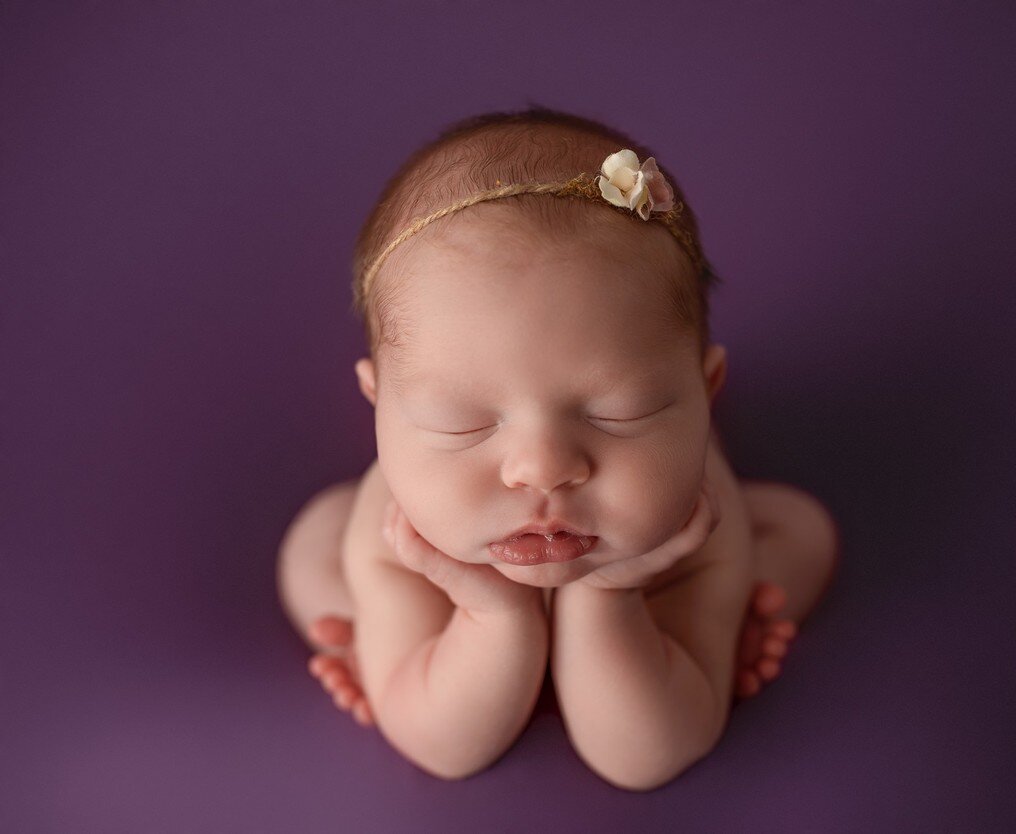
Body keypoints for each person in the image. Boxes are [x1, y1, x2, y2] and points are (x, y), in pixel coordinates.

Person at [276, 107, 840, 791]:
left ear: (705, 389)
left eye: (618, 412)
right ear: (380, 406)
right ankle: (386, 638)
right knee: (316, 551)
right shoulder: (401, 531)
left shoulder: (695, 518)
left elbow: (644, 758)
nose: (542, 468)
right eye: (461, 424)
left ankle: (703, 635)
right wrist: (493, 611)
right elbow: (445, 749)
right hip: (439, 575)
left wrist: (612, 591)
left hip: (658, 566)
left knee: (801, 534)